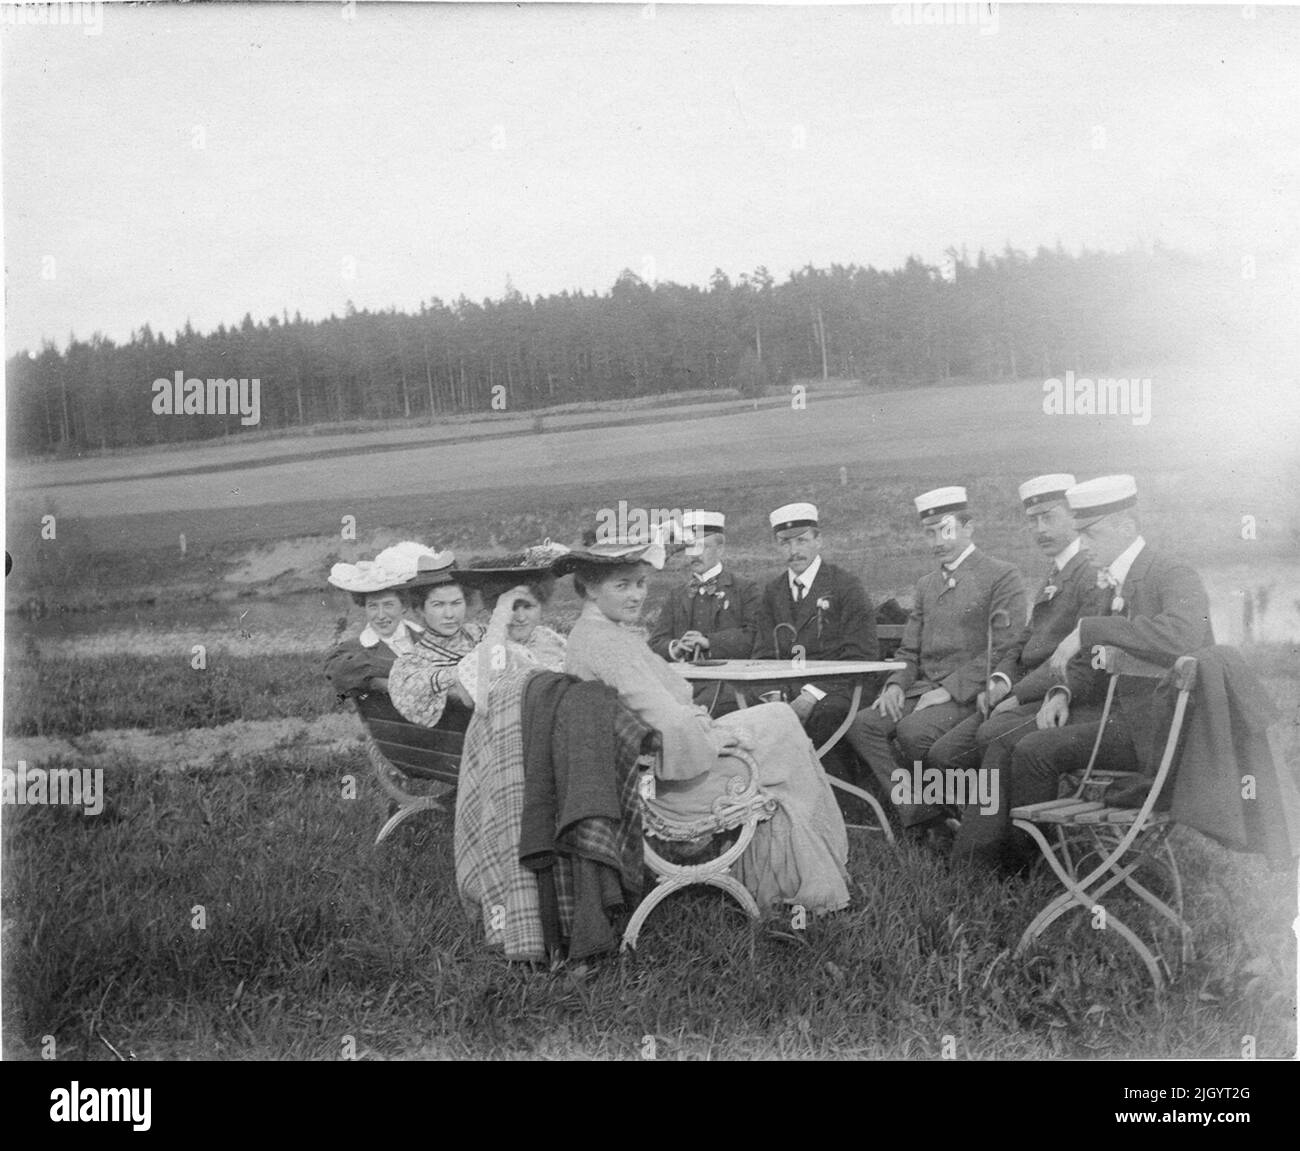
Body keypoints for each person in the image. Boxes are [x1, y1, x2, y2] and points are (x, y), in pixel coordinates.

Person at [558, 538, 851, 914]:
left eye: (640, 583)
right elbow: (672, 723)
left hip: (653, 763)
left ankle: (797, 872)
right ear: (590, 589)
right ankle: (804, 883)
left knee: (780, 719)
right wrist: (716, 737)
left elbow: (674, 700)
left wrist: (702, 724)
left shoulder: (596, 633)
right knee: (786, 739)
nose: (636, 596)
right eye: (622, 585)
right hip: (668, 785)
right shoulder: (607, 644)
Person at [986, 474, 1215, 870]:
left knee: (1034, 750)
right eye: (1080, 534)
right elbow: (1097, 661)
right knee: (1025, 742)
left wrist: (1090, 629)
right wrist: (1062, 691)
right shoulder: (1113, 575)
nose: (1083, 544)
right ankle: (1027, 862)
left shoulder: (1172, 572)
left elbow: (1181, 635)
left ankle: (1032, 870)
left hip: (1162, 731)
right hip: (1126, 718)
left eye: (1090, 534)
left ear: (1126, 526)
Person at [926, 475, 1110, 864]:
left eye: (1049, 517)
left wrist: (1019, 695)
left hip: (1065, 697)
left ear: (1072, 517)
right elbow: (1024, 640)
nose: (1039, 529)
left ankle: (994, 853)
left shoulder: (1091, 572)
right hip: (1027, 690)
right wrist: (999, 680)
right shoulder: (1058, 570)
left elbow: (1080, 660)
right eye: (1032, 520)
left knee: (995, 735)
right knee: (944, 754)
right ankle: (981, 832)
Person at [844, 486, 1027, 838]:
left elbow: (1005, 648)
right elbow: (908, 650)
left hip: (968, 692)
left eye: (945, 530)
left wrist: (948, 690)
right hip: (922, 689)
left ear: (968, 527)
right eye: (929, 533)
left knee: (914, 732)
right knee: (863, 724)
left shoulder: (1002, 575)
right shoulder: (927, 584)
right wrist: (896, 685)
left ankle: (958, 812)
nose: (937, 541)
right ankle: (921, 814)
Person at [751, 502, 878, 778]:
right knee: (756, 713)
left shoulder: (845, 586)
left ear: (818, 540)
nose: (794, 550)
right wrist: (773, 697)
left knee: (823, 714)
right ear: (777, 545)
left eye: (802, 540)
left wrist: (811, 694)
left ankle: (840, 803)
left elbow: (861, 655)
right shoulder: (773, 592)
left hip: (841, 689)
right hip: (787, 691)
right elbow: (763, 655)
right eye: (785, 542)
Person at [648, 510, 760, 714]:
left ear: (720, 549)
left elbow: (753, 638)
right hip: (683, 684)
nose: (696, 554)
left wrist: (709, 642)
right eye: (691, 546)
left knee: (695, 715)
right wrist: (676, 647)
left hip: (730, 685)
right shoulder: (676, 595)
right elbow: (655, 643)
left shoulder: (744, 590)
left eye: (703, 546)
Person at [322, 541, 449, 700]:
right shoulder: (354, 649)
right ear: (365, 608)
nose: (380, 615)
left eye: (388, 605)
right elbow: (336, 672)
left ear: (403, 606)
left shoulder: (427, 637)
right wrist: (405, 668)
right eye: (373, 606)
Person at [456, 544, 571, 707]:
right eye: (512, 608)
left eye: (528, 607)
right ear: (494, 610)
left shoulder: (549, 638)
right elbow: (483, 691)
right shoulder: (497, 648)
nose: (521, 617)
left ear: (541, 605)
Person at [388, 557, 485, 730]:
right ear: (420, 609)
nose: (449, 614)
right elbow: (410, 688)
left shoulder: (481, 635)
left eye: (456, 603)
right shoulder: (413, 662)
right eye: (438, 605)